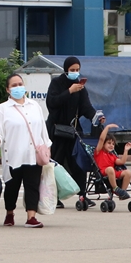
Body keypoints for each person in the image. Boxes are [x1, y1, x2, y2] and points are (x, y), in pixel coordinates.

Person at [0, 73, 52, 229]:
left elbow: (43, 130)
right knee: (12, 187)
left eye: (20, 84)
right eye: (14, 85)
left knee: (32, 185)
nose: (18, 87)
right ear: (8, 90)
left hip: (33, 155)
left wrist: (47, 150)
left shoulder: (34, 106)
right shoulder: (2, 109)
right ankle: (10, 213)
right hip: (14, 156)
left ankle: (31, 217)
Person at [45, 56, 97, 207]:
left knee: (79, 162)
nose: (75, 73)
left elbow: (86, 106)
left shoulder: (80, 86)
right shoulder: (57, 83)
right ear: (66, 69)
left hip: (73, 130)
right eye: (72, 70)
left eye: (77, 70)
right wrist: (69, 91)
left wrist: (95, 116)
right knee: (56, 163)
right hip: (57, 130)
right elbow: (52, 102)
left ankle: (82, 196)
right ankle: (54, 197)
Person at [93, 123, 131, 198]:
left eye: (113, 144)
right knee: (110, 169)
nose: (111, 145)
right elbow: (101, 139)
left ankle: (122, 192)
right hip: (103, 171)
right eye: (109, 143)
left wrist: (126, 150)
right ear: (103, 144)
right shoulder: (99, 152)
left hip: (112, 172)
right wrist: (107, 127)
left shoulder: (112, 155)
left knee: (128, 173)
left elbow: (122, 162)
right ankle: (115, 188)